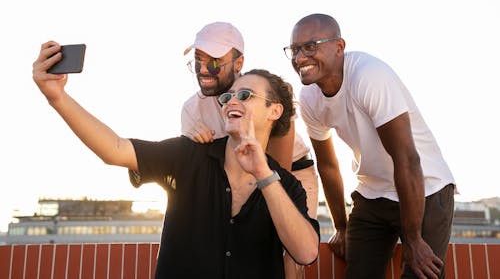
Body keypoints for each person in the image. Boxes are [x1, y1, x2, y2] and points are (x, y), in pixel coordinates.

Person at [32, 42, 320, 279]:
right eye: (227, 97)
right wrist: (57, 97)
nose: (231, 101)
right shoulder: (187, 155)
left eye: (245, 95)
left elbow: (306, 253)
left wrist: (263, 174)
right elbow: (115, 149)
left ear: (274, 111)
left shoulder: (288, 186)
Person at [284, 14, 456, 279]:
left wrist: (413, 239)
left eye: (310, 46)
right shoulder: (309, 98)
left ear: (339, 47)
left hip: (425, 188)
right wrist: (341, 226)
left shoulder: (368, 75)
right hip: (373, 194)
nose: (300, 58)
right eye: (295, 49)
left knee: (421, 273)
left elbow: (407, 159)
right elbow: (328, 166)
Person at [181, 22, 319, 279]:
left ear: (238, 62)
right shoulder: (191, 110)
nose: (203, 69)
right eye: (198, 61)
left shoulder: (265, 92)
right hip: (236, 178)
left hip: (290, 171)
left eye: (213, 62)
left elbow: (279, 171)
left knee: (288, 252)